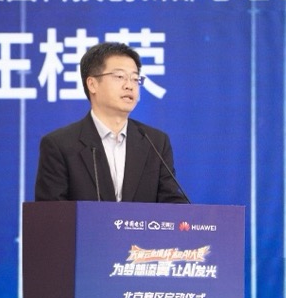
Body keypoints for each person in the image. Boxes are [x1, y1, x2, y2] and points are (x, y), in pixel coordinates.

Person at [35, 42, 189, 203]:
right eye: (120, 77)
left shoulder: (155, 142)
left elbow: (171, 204)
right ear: (92, 84)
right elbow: (51, 213)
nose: (129, 86)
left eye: (135, 78)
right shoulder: (60, 145)